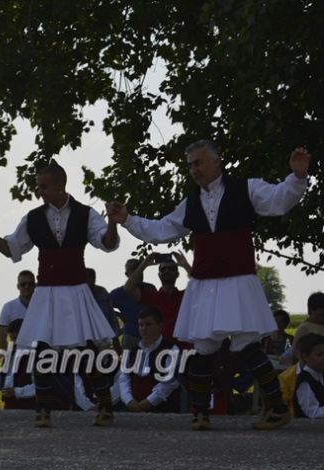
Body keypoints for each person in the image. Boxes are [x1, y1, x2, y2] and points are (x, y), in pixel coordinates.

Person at [107, 140, 310, 430]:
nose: (194, 169)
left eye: (199, 162)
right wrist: (127, 219)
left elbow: (279, 199)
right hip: (205, 285)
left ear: (218, 162)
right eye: (190, 165)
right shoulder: (190, 202)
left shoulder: (246, 188)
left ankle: (278, 409)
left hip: (238, 281)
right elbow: (162, 229)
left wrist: (298, 177)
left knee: (247, 346)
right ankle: (200, 413)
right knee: (202, 348)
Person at [0, 162, 119, 428]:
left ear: (60, 185)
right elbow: (10, 249)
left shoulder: (86, 214)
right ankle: (42, 409)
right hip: (47, 293)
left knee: (87, 351)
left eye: (43, 186)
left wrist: (113, 223)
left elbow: (107, 244)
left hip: (75, 292)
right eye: (38, 186)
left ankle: (105, 406)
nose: (39, 191)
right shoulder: (33, 217)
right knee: (41, 353)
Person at [116, 307, 181, 413]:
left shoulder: (171, 349)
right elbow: (124, 377)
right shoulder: (133, 351)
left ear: (160, 326)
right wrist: (128, 400)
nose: (143, 329)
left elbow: (170, 381)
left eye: (148, 324)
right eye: (141, 325)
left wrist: (149, 402)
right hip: (133, 409)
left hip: (162, 411)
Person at [123, 251, 191, 342]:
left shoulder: (185, 296)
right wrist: (144, 264)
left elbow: (201, 287)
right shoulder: (151, 296)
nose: (167, 271)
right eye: (163, 269)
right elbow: (128, 288)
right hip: (158, 348)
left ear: (177, 274)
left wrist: (185, 265)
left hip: (183, 347)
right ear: (159, 275)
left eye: (171, 268)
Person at [0, 318, 36, 409]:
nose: (14, 342)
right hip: (10, 405)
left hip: (30, 407)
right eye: (11, 338)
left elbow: (40, 386)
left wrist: (17, 392)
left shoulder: (36, 356)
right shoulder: (11, 354)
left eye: (16, 338)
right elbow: (6, 379)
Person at [110, 259, 157, 351]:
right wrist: (119, 315)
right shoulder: (119, 293)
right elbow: (104, 309)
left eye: (140, 269)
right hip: (131, 335)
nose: (139, 272)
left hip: (151, 336)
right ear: (127, 274)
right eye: (135, 270)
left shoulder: (150, 288)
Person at [0, 270, 36, 350]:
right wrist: (9, 356)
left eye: (30, 284)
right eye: (23, 284)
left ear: (35, 285)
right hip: (18, 356)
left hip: (40, 356)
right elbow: (2, 336)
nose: (26, 286)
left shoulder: (44, 307)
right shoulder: (8, 307)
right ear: (18, 286)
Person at [293, 333, 324, 418]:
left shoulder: (320, 375)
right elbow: (312, 413)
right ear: (306, 356)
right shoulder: (305, 381)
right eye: (319, 355)